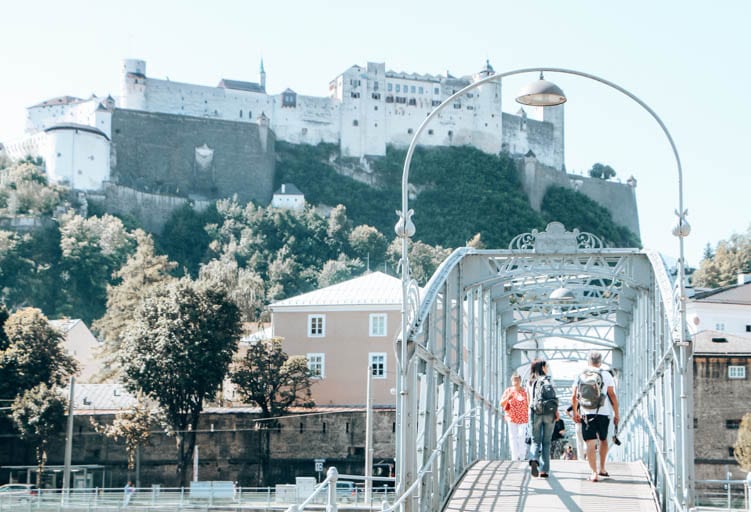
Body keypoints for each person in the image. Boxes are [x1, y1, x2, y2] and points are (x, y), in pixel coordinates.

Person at [571, 351, 619, 482]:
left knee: (590, 442)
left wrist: (575, 413)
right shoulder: (606, 374)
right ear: (600, 362)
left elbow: (574, 396)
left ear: (588, 361)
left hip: (586, 413)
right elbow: (612, 395)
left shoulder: (580, 375)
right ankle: (602, 468)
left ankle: (593, 473)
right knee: (603, 440)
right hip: (603, 412)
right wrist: (616, 413)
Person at [526, 358, 558, 478]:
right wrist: (556, 412)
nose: (547, 368)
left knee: (535, 440)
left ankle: (534, 458)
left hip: (535, 412)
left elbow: (529, 400)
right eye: (546, 366)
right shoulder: (549, 380)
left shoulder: (530, 382)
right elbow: (554, 397)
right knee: (546, 442)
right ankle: (544, 470)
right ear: (542, 367)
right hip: (549, 413)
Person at [500, 372, 529, 461]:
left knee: (521, 435)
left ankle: (522, 455)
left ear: (520, 381)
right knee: (513, 437)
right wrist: (507, 398)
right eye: (513, 380)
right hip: (511, 417)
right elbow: (501, 403)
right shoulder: (508, 391)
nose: (515, 381)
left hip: (523, 417)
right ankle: (515, 456)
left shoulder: (524, 392)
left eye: (517, 380)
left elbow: (529, 403)